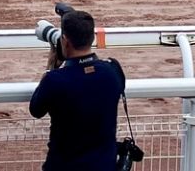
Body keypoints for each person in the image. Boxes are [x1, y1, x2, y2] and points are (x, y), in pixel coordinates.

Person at [29, 9, 126, 171]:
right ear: (92, 37)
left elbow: (36, 109)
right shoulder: (113, 70)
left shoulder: (55, 80)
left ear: (65, 41)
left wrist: (51, 67)